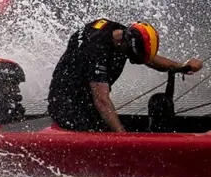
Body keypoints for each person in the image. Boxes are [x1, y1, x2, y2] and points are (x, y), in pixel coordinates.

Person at [47, 19, 201, 133]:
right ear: (125, 46)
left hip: (88, 99)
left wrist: (181, 66)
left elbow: (149, 59)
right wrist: (123, 138)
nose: (140, 62)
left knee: (106, 125)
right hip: (66, 103)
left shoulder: (122, 34)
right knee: (98, 131)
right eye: (136, 58)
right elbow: (101, 100)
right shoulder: (96, 51)